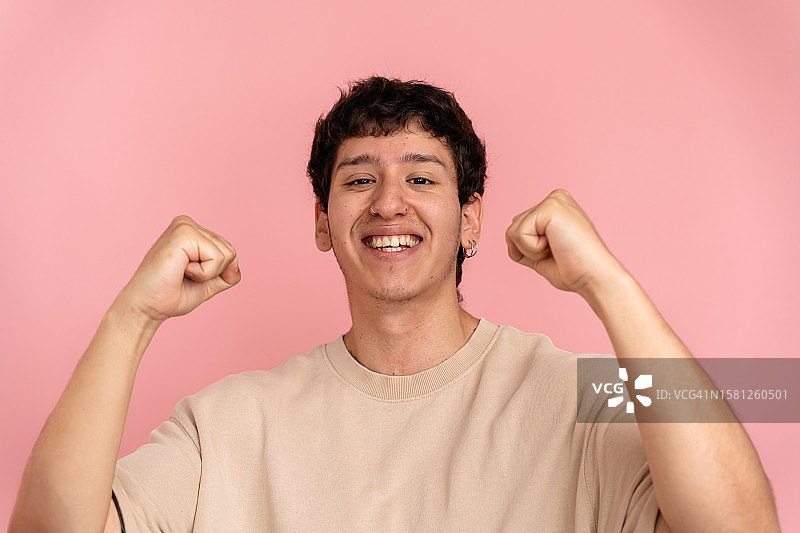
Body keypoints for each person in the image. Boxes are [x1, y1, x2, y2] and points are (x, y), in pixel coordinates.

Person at [10, 77, 779, 532]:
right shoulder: (227, 424)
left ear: (470, 217)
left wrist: (607, 282)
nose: (388, 204)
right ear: (322, 222)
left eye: (420, 178)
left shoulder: (584, 394)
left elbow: (741, 524)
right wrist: (131, 318)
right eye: (357, 180)